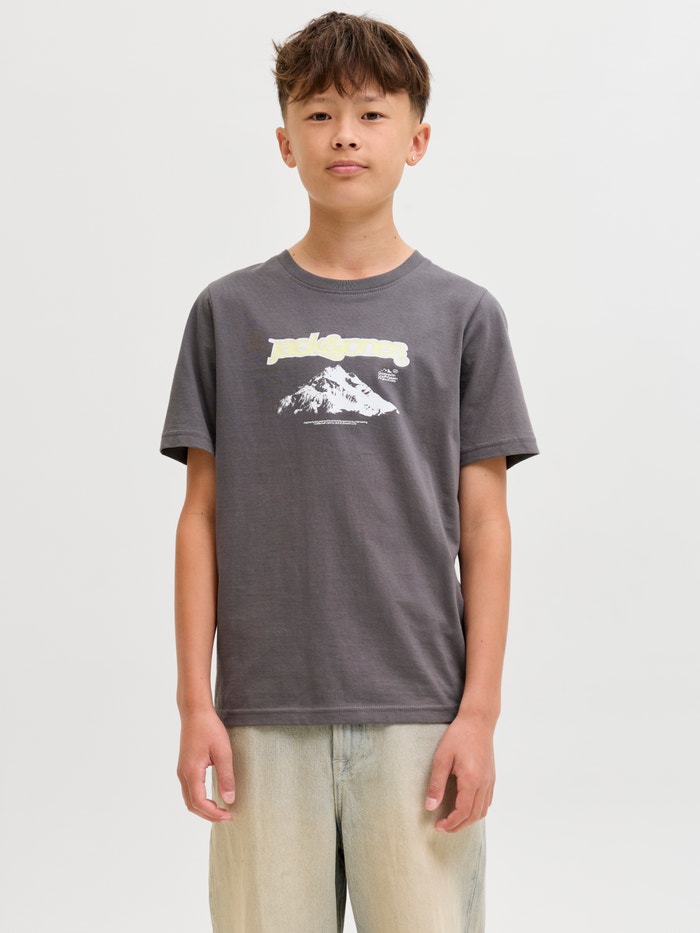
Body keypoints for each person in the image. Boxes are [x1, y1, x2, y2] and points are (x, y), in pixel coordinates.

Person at [160, 11, 538, 932]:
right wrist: (194, 703)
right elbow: (199, 516)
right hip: (261, 711)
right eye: (320, 114)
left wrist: (479, 714)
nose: (345, 136)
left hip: (420, 707)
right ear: (284, 141)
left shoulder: (464, 316)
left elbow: (485, 525)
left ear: (417, 138)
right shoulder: (227, 313)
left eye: (371, 114)